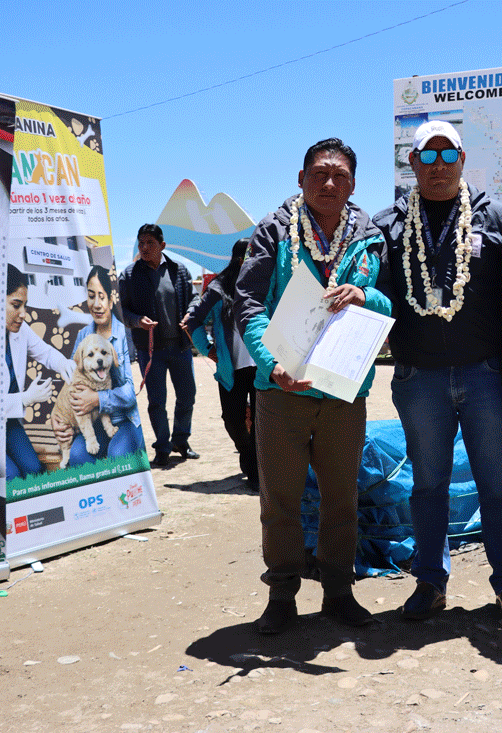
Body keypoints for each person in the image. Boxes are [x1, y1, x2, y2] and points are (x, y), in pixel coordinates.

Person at [374, 120, 502, 624]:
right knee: (428, 485)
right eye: (427, 157)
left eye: (447, 156)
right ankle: (430, 583)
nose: (438, 167)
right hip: (421, 380)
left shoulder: (498, 220)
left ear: (462, 160)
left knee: (498, 484)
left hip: (485, 375)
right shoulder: (390, 225)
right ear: (413, 163)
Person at [233, 138, 390, 634]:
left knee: (341, 497)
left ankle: (339, 592)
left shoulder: (369, 236)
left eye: (339, 175)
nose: (329, 183)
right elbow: (248, 303)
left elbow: (389, 307)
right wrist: (272, 362)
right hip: (283, 390)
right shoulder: (273, 232)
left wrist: (366, 294)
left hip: (343, 390)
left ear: (353, 185)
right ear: (301, 179)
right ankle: (282, 594)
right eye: (319, 173)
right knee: (280, 499)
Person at [118, 224, 198, 467]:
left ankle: (181, 441)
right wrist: (136, 321)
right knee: (156, 401)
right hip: (149, 350)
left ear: (162, 245)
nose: (144, 248)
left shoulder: (179, 270)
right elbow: (121, 309)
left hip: (181, 347)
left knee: (188, 395)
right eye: (141, 243)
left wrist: (190, 314)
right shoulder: (129, 275)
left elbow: (195, 298)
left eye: (149, 243)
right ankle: (162, 447)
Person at [182, 240, 259, 491]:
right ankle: (248, 457)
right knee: (233, 419)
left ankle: (257, 472)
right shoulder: (218, 288)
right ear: (240, 261)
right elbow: (193, 320)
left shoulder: (262, 284)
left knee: (261, 421)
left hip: (263, 367)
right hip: (230, 368)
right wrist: (208, 349)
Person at [53, 266, 146, 466]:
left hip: (125, 418)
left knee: (118, 456)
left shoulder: (123, 334)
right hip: (93, 421)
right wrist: (58, 420)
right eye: (91, 296)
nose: (96, 304)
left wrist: (97, 399)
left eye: (102, 296)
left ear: (111, 301)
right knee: (78, 456)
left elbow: (131, 392)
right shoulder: (83, 336)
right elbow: (72, 382)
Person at [4, 264, 74, 480]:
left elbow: (45, 352)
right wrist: (25, 399)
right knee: (12, 476)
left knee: (34, 470)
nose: (23, 314)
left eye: (24, 305)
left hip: (8, 421)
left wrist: (64, 364)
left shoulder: (19, 329)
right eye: (16, 305)